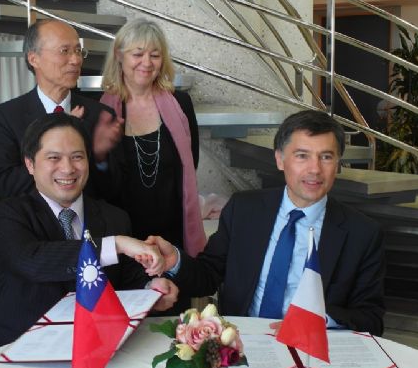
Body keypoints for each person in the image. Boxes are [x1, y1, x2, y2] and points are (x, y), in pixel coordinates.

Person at [149, 110, 385, 335]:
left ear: (338, 165)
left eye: (326, 157)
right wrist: (176, 261)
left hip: (312, 348)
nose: (315, 169)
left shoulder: (362, 233)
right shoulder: (244, 210)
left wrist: (317, 321)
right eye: (302, 156)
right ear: (280, 160)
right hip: (241, 341)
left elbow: (371, 319)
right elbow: (208, 275)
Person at [0, 113, 178, 350]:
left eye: (77, 157)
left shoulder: (113, 217)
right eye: (53, 158)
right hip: (21, 352)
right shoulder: (6, 215)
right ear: (30, 164)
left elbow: (128, 279)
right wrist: (114, 244)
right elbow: (33, 261)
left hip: (100, 351)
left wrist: (152, 290)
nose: (67, 169)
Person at [98, 18, 206, 312]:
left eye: (155, 55)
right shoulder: (100, 110)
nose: (147, 62)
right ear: (120, 55)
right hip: (125, 244)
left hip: (172, 242)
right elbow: (98, 185)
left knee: (174, 329)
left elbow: (189, 166)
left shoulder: (181, 105)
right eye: (138, 53)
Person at [0, 19, 122, 198]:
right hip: (31, 222)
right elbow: (4, 185)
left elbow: (116, 191)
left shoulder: (100, 115)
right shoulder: (6, 116)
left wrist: (98, 156)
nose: (75, 60)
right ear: (34, 58)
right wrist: (62, 130)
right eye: (64, 51)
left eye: (78, 51)